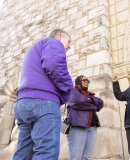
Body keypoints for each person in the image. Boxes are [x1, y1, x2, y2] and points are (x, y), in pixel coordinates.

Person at [13, 29, 73, 160]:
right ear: (59, 36)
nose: (69, 46)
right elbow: (54, 65)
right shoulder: (53, 42)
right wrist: (69, 88)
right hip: (43, 102)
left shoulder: (35, 49)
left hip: (23, 103)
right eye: (68, 41)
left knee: (23, 153)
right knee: (47, 152)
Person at [67, 75, 104, 160]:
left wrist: (88, 100)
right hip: (78, 126)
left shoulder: (90, 95)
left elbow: (100, 103)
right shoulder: (73, 91)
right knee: (76, 157)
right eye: (84, 80)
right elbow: (79, 101)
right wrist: (93, 105)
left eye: (88, 81)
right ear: (78, 81)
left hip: (92, 127)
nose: (86, 82)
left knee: (88, 157)